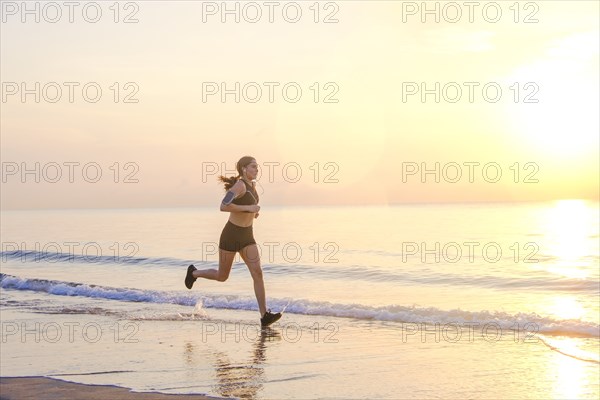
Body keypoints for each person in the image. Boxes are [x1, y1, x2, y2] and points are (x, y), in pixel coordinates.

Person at [185, 156, 282, 327]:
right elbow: (223, 205)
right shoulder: (240, 185)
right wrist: (248, 208)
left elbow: (246, 207)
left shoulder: (253, 186)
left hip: (247, 236)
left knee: (257, 273)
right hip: (231, 235)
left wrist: (253, 213)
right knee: (222, 276)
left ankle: (264, 315)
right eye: (253, 167)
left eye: (257, 167)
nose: (257, 169)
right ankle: (194, 273)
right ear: (244, 169)